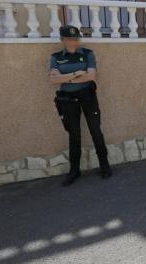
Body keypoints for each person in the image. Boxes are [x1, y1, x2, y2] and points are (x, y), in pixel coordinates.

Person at [49, 26, 111, 186]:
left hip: (87, 96)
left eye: (76, 38)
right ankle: (74, 170)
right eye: (69, 39)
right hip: (68, 100)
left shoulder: (87, 54)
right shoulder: (55, 57)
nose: (73, 41)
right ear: (62, 40)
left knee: (96, 131)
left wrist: (65, 78)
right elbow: (53, 80)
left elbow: (91, 76)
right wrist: (76, 75)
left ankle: (104, 165)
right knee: (74, 135)